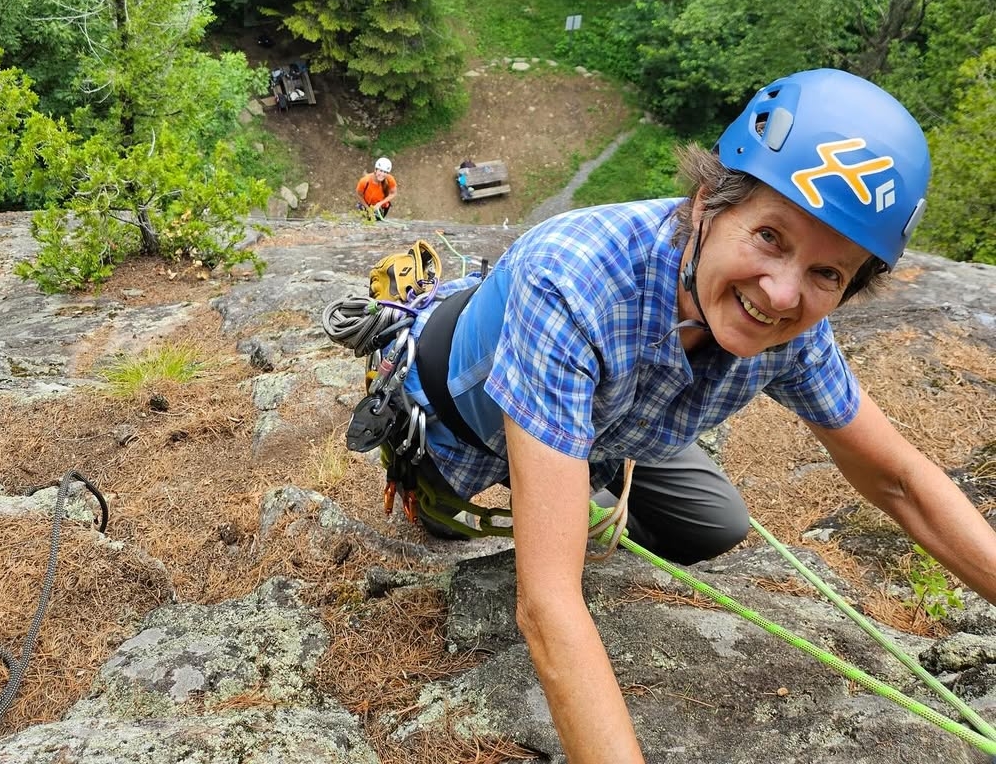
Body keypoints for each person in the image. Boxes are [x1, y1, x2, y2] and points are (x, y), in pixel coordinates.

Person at [384, 68, 996, 764]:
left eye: (829, 273)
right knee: (450, 527)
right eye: (770, 236)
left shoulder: (793, 330)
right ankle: (563, 482)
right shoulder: (573, 284)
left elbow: (899, 481)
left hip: (612, 429)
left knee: (715, 524)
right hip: (463, 431)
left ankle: (585, 476)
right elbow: (547, 605)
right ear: (707, 204)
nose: (781, 293)